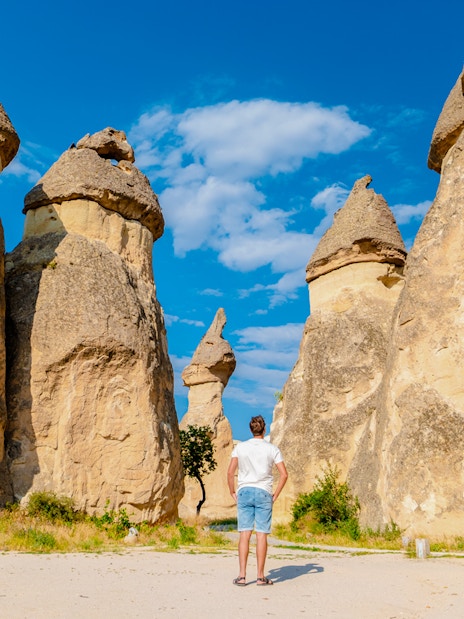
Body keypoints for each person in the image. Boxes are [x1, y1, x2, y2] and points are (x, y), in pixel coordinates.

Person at [227, 415, 288, 586]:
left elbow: (230, 472)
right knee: (261, 535)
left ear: (250, 429)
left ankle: (242, 576)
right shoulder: (272, 449)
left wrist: (232, 491)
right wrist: (275, 495)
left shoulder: (241, 448)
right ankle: (261, 577)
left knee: (244, 534)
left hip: (244, 491)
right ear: (264, 429)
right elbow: (284, 474)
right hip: (264, 493)